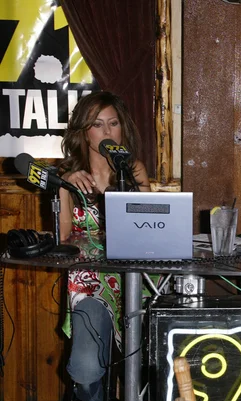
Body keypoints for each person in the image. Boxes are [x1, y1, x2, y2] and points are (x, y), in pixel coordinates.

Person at [58, 91, 150, 401]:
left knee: (147, 366)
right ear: (84, 132)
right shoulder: (69, 177)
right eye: (97, 124)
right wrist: (64, 189)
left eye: (113, 123)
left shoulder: (134, 170)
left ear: (122, 129)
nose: (107, 131)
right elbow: (62, 241)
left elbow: (148, 232)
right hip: (89, 281)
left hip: (134, 278)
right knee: (85, 370)